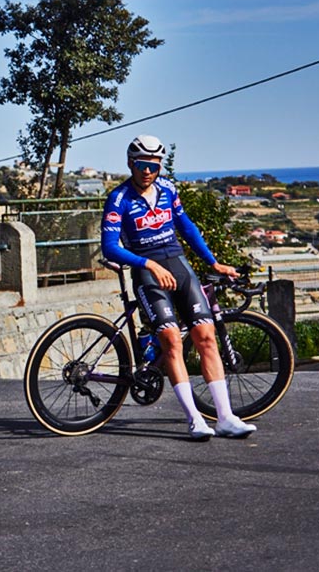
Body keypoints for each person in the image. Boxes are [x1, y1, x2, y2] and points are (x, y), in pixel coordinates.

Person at [101, 134, 257, 440]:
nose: (148, 171)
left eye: (154, 166)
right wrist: (149, 265)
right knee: (172, 341)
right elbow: (109, 247)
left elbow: (187, 228)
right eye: (142, 165)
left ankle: (225, 417)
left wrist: (213, 263)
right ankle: (195, 420)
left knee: (205, 336)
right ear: (131, 164)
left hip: (179, 265)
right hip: (148, 272)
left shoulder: (168, 190)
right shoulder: (118, 199)